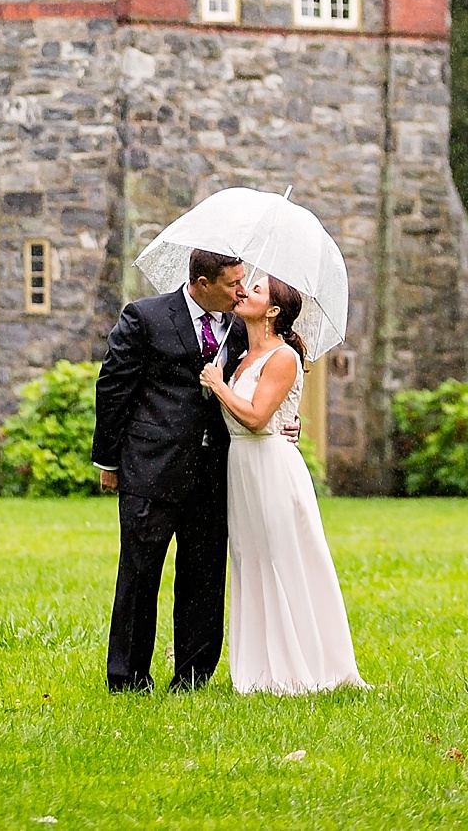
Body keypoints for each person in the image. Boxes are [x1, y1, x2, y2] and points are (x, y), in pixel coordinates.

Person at [91, 247, 251, 692]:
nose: (242, 290)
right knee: (140, 575)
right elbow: (114, 388)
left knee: (204, 575)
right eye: (232, 283)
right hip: (150, 469)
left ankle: (193, 677)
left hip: (215, 471)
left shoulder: (242, 328)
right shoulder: (146, 317)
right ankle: (128, 677)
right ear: (202, 283)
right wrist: (108, 459)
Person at [200, 272, 364, 694]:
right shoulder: (238, 354)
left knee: (283, 557)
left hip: (271, 466)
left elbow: (256, 419)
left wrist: (218, 387)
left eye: (255, 290)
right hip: (242, 468)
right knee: (249, 558)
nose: (243, 292)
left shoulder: (284, 356)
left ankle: (306, 663)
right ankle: (258, 666)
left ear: (272, 310)